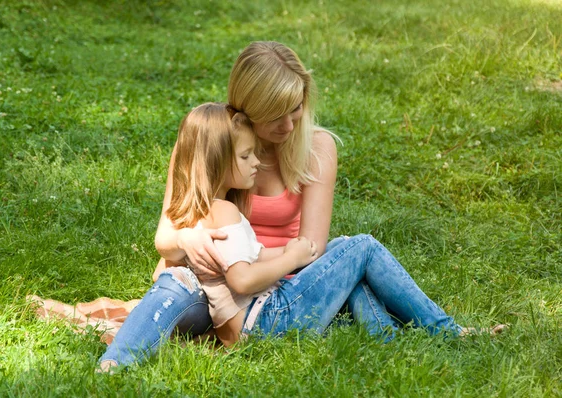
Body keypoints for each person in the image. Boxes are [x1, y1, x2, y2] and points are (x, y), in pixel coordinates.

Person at [97, 41, 503, 372]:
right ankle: (432, 334)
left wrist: (263, 267)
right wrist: (192, 237)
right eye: (275, 115)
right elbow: (166, 238)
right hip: (208, 286)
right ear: (246, 109)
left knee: (350, 258)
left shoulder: (316, 148)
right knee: (356, 255)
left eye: (296, 108)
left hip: (281, 280)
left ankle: (405, 340)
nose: (289, 126)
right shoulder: (211, 142)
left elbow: (311, 247)